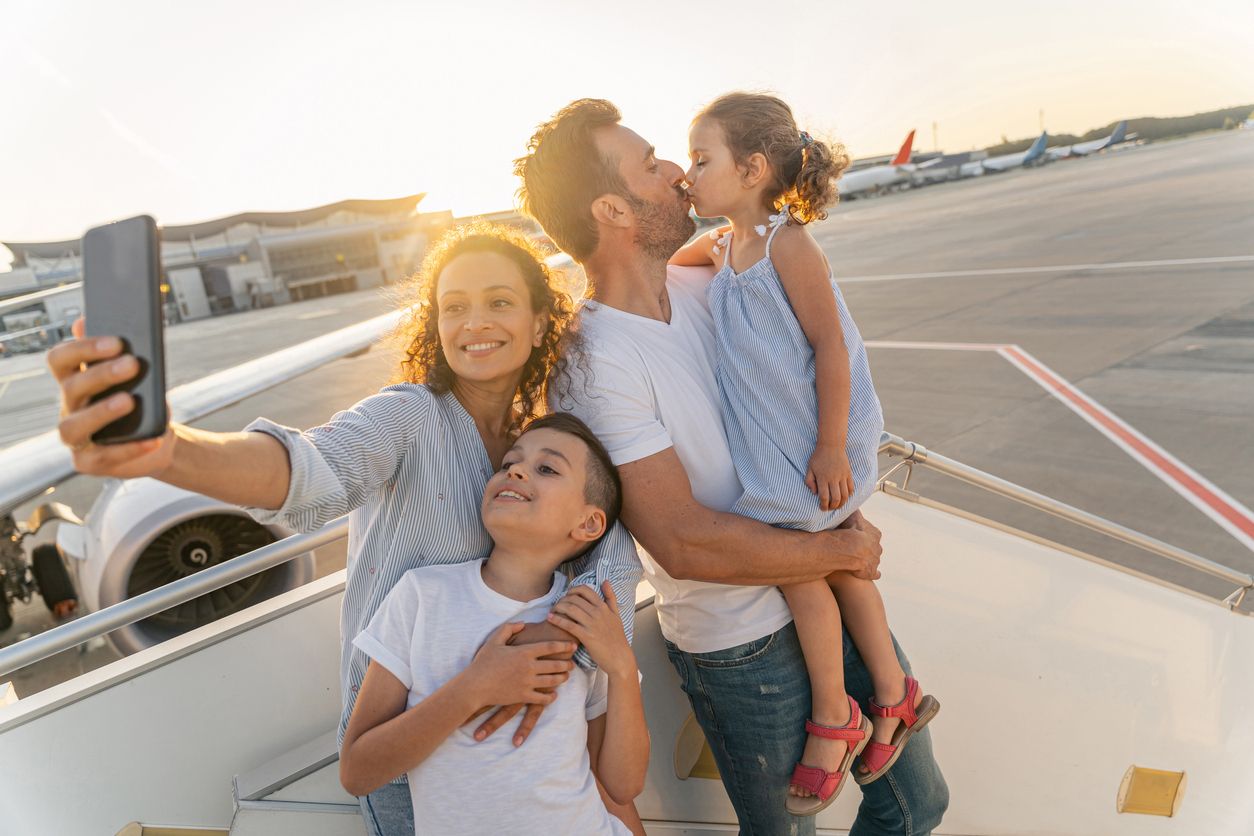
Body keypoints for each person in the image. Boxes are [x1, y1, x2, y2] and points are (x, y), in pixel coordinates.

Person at [47, 222, 644, 836]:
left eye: (499, 302)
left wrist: (543, 652)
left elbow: (611, 563)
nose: (474, 322)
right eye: (453, 307)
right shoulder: (410, 416)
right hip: (406, 753)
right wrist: (169, 450)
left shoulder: (537, 445)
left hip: (533, 754)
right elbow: (305, 472)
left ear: (541, 322)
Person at [516, 98, 948, 835]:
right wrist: (835, 545)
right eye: (651, 165)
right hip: (741, 641)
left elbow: (807, 359)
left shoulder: (710, 280)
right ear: (612, 209)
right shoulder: (593, 364)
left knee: (918, 803)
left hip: (829, 588)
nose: (678, 172)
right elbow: (682, 540)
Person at [671, 92, 940, 814]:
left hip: (816, 436)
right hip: (778, 436)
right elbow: (680, 258)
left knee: (805, 565)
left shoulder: (788, 244)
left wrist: (829, 446)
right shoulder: (727, 245)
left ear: (754, 168)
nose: (689, 174)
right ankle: (892, 692)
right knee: (828, 558)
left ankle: (837, 714)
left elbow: (830, 345)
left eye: (702, 160)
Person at [339, 412, 647, 836]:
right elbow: (358, 771)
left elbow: (622, 784)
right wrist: (474, 688)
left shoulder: (588, 619)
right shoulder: (422, 596)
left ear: (589, 523)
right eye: (508, 464)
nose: (516, 469)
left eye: (547, 468)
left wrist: (623, 669)